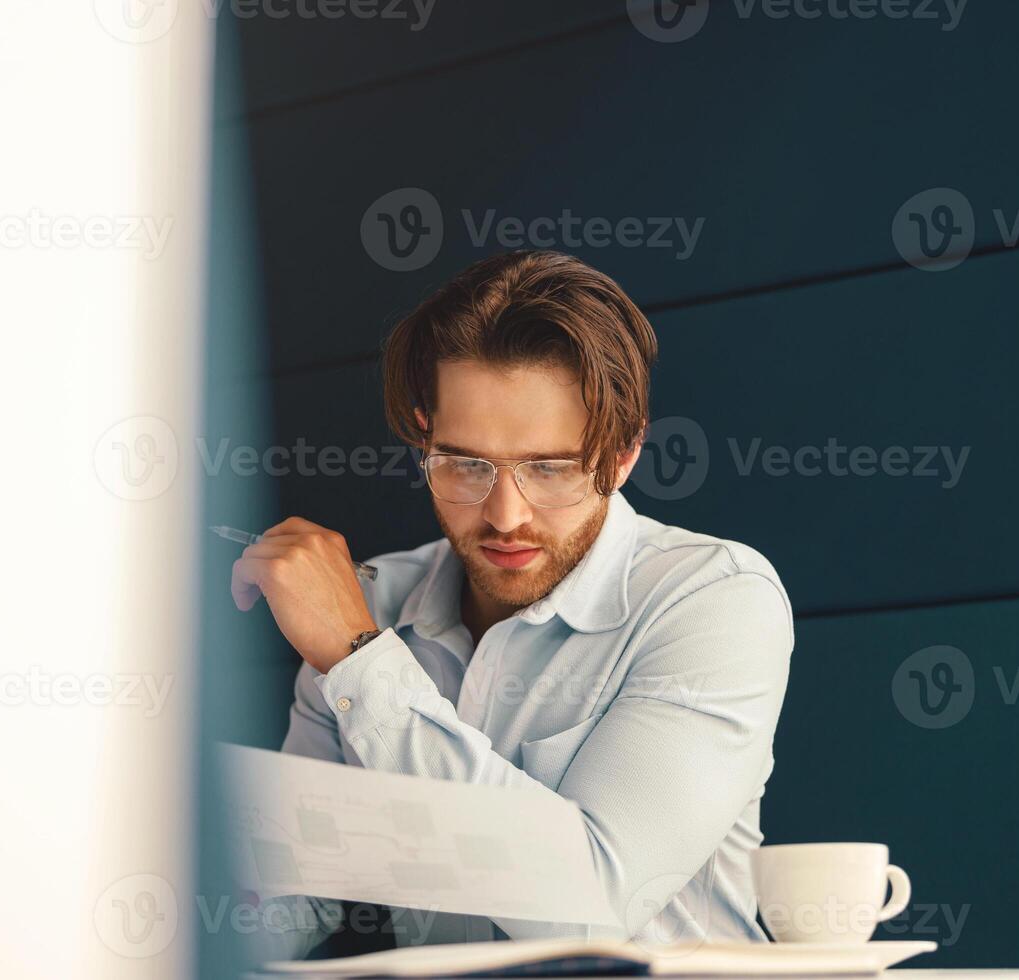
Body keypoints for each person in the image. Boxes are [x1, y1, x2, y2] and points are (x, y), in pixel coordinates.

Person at [230, 250, 794, 957]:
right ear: (422, 439)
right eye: (465, 464)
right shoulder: (371, 601)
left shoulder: (714, 600)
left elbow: (593, 908)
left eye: (549, 468)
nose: (504, 515)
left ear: (622, 454)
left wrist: (357, 658)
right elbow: (289, 898)